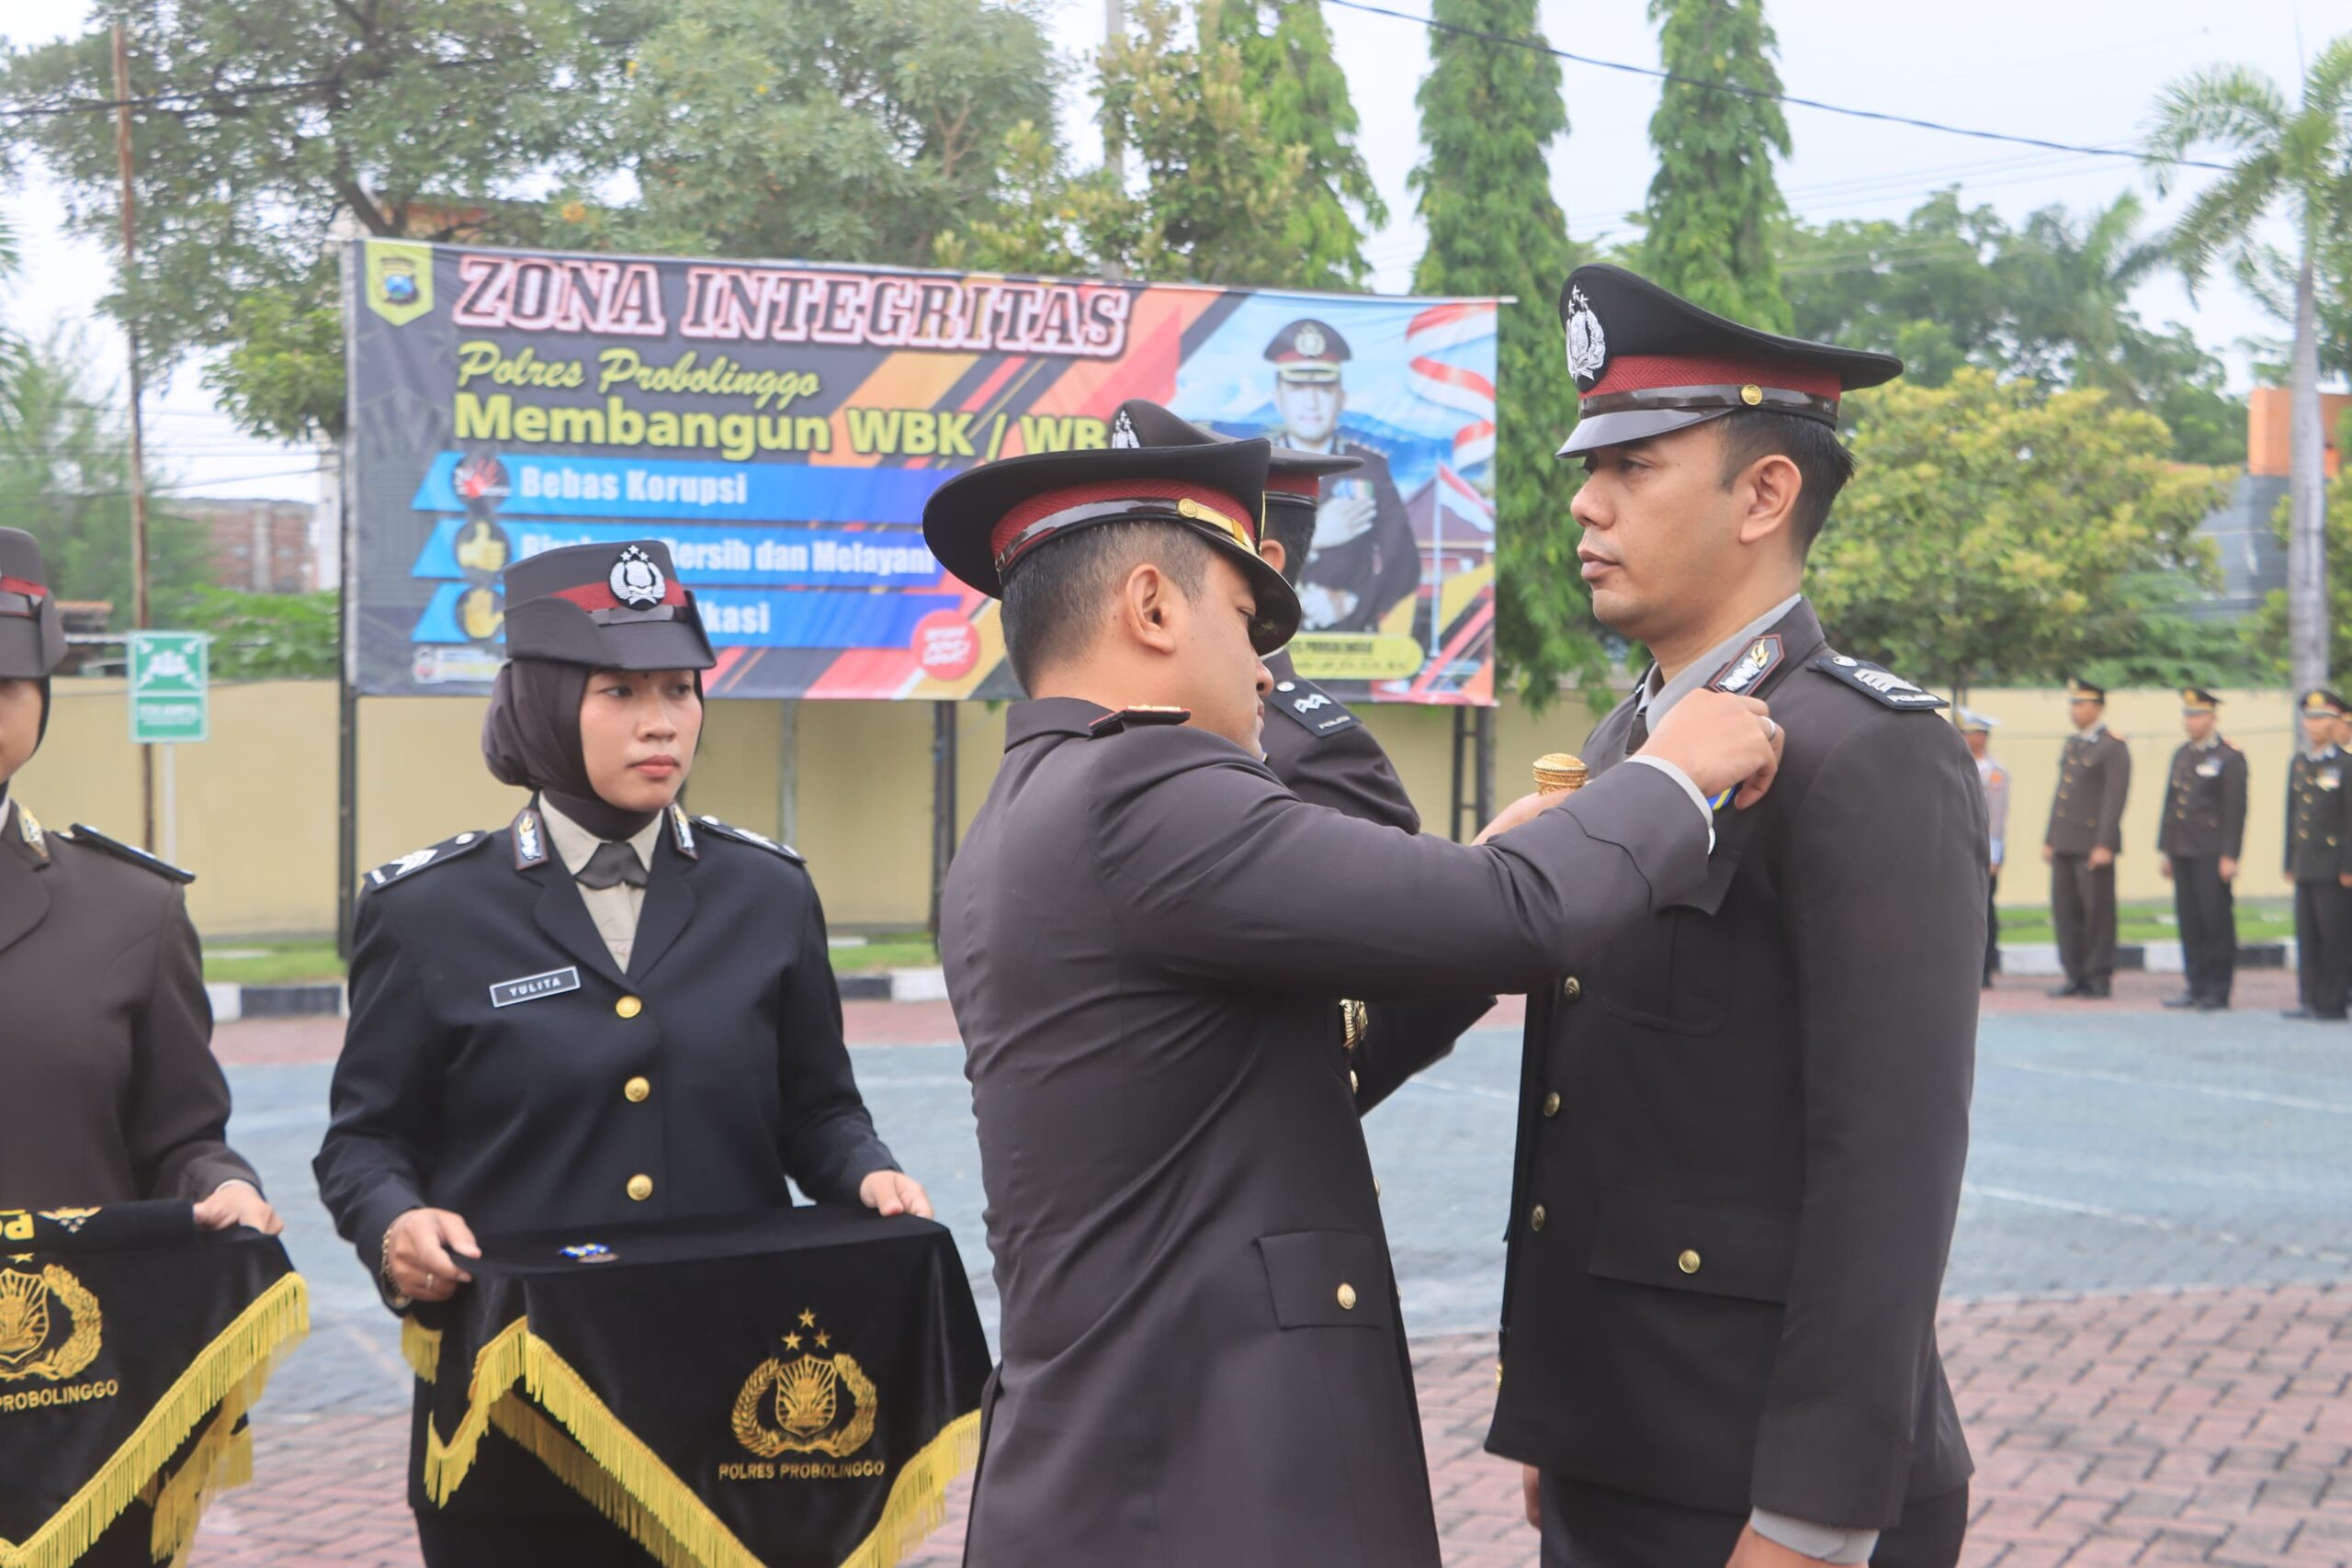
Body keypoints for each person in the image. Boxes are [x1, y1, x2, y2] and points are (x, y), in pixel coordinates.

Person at [921, 433, 1782, 1567]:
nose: (1270, 670)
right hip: (1203, 1486)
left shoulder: (1037, 803)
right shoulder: (1143, 786)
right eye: (1245, 619)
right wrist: (1671, 773)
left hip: (1133, 1461)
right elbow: (1521, 915)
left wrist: (1492, 873)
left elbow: (1301, 1050)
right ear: (1151, 606)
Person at [1491, 264, 1983, 1568]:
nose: (1586, 503)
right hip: (1619, 1443)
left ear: (1766, 493)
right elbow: (1595, 1117)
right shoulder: (1628, 742)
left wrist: (1813, 1515)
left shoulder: (1865, 748)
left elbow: (1890, 1162)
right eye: (1587, 466)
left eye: (1636, 464)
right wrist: (1559, 1415)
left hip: (1761, 1489)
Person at [313, 538, 931, 1567]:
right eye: (619, 690)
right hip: (515, 1404)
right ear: (545, 704)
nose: (661, 720)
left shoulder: (767, 892)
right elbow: (365, 1142)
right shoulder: (429, 911)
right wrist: (393, 1224)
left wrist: (868, 1175)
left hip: (733, 1397)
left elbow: (817, 1110)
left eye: (681, 690)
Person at [0, 525, 283, 1567]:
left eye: (1, 680)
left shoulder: (129, 908)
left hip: (71, 1409)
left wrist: (221, 1182)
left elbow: (181, 1135)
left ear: (41, 697)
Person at [1109, 396, 1495, 1109]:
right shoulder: (1118, 736)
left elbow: (1419, 976)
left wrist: (1286, 1111)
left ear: (1263, 566)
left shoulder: (1307, 747)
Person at [1264, 317, 1420, 636]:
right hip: (1268, 647)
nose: (1311, 401)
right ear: (1278, 397)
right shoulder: (1259, 468)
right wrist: (1315, 535)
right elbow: (1235, 556)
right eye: (1297, 387)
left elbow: (1405, 563)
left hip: (1348, 651)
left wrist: (1354, 601)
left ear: (1341, 398)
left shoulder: (1369, 468)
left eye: (1323, 387)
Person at [2156, 686, 2246, 1011]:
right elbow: (2171, 805)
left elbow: (2235, 811)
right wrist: (2166, 849)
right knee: (2190, 920)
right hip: (2182, 849)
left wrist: (2230, 854)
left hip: (2211, 852)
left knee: (2215, 921)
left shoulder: (2229, 756)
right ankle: (2195, 985)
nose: (2191, 720)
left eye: (2197, 714)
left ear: (2212, 717)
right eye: (2187, 714)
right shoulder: (2183, 754)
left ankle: (2217, 989)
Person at [2043, 678, 2131, 999]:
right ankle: (2074, 973)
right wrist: (2050, 836)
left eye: (2081, 703)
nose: (2075, 709)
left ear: (2098, 707)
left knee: (2097, 912)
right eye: (2073, 703)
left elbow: (2114, 798)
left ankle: (2097, 976)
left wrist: (2105, 843)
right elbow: (2062, 794)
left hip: (2092, 844)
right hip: (2066, 841)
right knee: (2066, 911)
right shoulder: (2074, 744)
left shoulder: (2112, 746)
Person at [2281, 689, 2352, 1021]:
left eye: (2321, 718)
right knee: (2307, 935)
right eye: (2309, 718)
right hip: (2306, 862)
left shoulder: (2345, 765)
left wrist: (2349, 865)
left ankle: (2332, 1001)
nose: (2313, 725)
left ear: (2336, 722)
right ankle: (2309, 999)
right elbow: (2292, 815)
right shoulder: (2299, 763)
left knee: (2334, 936)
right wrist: (2289, 860)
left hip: (2333, 864)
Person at [1961, 710, 2007, 987]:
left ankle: (1986, 968)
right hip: (1962, 850)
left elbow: (1998, 818)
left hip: (1985, 850)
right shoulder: (1960, 766)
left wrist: (1995, 854)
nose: (1967, 739)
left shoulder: (1995, 773)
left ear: (1982, 737)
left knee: (1985, 910)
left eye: (1971, 733)